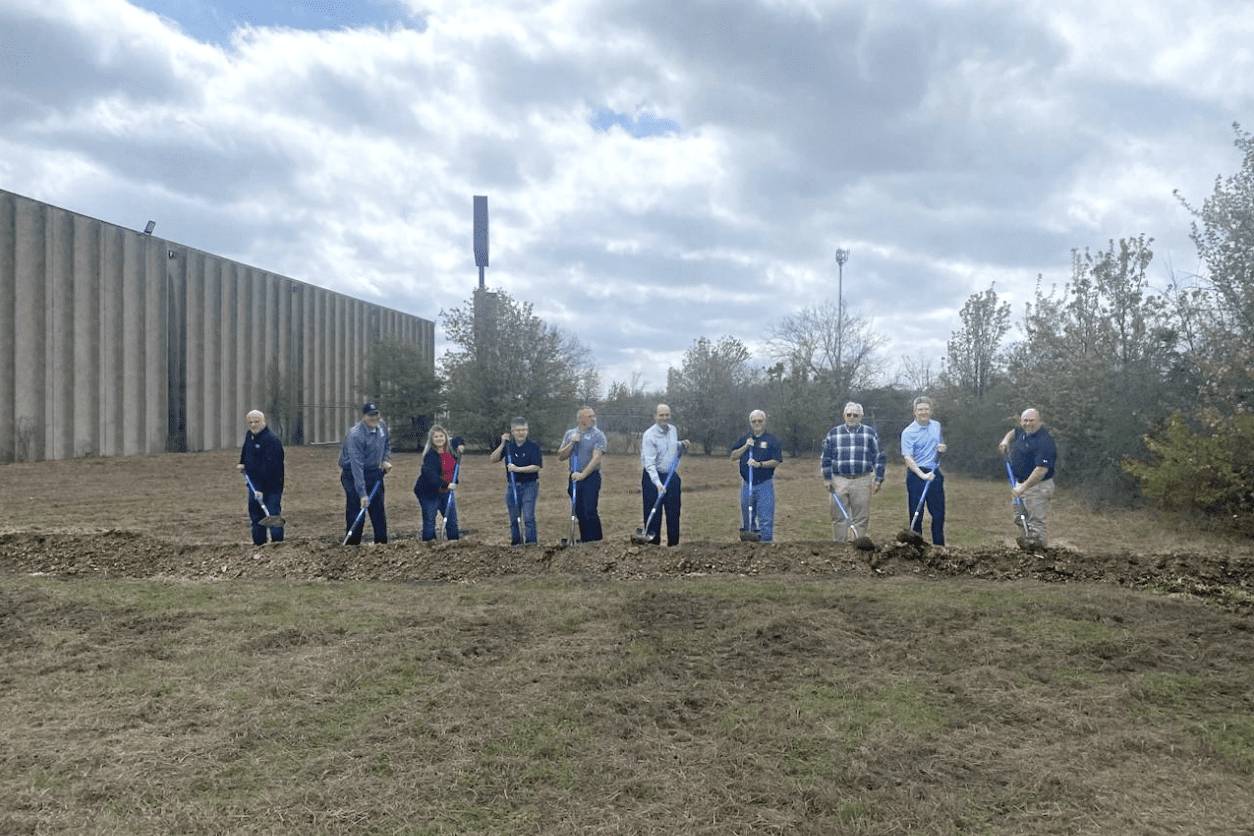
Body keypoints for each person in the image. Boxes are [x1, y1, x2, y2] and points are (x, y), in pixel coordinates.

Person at [820, 401, 884, 544]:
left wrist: (878, 479)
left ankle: (858, 547)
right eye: (849, 414)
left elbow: (879, 457)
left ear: (861, 416)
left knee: (860, 519)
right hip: (839, 480)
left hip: (862, 480)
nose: (852, 417)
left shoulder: (869, 433)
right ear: (844, 415)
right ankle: (840, 547)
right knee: (838, 517)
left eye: (855, 415)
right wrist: (827, 479)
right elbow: (826, 458)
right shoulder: (834, 433)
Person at [999, 408, 1058, 548]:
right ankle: (1028, 549)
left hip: (1037, 486)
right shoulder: (1022, 432)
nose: (1028, 424)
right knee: (1021, 519)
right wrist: (1005, 441)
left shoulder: (1044, 441)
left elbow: (1041, 470)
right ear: (1021, 421)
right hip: (1020, 484)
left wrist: (1023, 488)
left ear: (1040, 422)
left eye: (1032, 421)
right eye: (1025, 421)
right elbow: (1012, 433)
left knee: (1035, 524)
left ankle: (1039, 555)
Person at [339, 401, 392, 545]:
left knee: (378, 511)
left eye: (376, 414)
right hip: (352, 475)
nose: (374, 418)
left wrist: (385, 459)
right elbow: (357, 466)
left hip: (374, 472)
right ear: (363, 416)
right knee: (356, 511)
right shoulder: (355, 435)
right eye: (370, 415)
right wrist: (362, 493)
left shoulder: (382, 427)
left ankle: (382, 546)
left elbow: (387, 444)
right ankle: (352, 546)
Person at [640, 404, 691, 546]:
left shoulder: (673, 430)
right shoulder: (649, 435)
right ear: (655, 416)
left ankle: (673, 546)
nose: (664, 418)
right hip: (652, 478)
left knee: (674, 513)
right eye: (661, 415)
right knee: (653, 514)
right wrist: (657, 483)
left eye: (667, 415)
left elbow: (670, 446)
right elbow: (649, 463)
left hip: (671, 476)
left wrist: (681, 444)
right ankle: (653, 546)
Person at [729, 410, 783, 542]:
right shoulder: (745, 438)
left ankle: (766, 548)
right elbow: (733, 456)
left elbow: (776, 461)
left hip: (764, 484)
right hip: (747, 484)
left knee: (765, 520)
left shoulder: (772, 440)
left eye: (760, 421)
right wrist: (746, 447)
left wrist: (759, 464)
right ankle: (750, 548)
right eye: (754, 421)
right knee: (747, 519)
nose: (757, 424)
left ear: (765, 422)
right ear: (750, 423)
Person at [901, 396, 947, 548]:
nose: (923, 412)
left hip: (934, 473)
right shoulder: (908, 432)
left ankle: (939, 547)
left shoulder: (936, 426)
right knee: (917, 514)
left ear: (930, 410)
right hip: (916, 475)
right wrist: (922, 474)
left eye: (926, 409)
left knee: (938, 514)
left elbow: (939, 444)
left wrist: (941, 448)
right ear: (915, 411)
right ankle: (916, 548)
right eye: (920, 409)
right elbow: (908, 458)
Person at [557, 406, 608, 542]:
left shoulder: (598, 435)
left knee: (589, 510)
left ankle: (596, 542)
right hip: (573, 476)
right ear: (580, 419)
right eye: (590, 416)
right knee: (579, 511)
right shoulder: (570, 434)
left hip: (591, 477)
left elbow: (596, 458)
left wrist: (583, 475)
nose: (593, 418)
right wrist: (572, 444)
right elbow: (561, 456)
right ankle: (586, 541)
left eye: (593, 415)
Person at [489, 417, 542, 545]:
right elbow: (493, 459)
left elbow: (536, 466)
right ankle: (516, 543)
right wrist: (502, 444)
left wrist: (518, 469)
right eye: (518, 430)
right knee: (514, 518)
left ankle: (531, 544)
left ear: (527, 431)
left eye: (524, 430)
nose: (521, 433)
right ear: (512, 431)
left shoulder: (533, 446)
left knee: (528, 517)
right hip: (512, 486)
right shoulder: (508, 447)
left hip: (529, 485)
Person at [236, 409, 284, 546]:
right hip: (253, 484)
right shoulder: (250, 436)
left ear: (263, 422)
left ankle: (278, 545)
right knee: (256, 517)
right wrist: (242, 462)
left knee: (272, 514)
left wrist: (261, 489)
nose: (253, 425)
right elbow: (246, 450)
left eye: (256, 422)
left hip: (270, 487)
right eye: (250, 422)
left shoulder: (271, 441)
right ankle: (259, 544)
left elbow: (271, 469)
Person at [414, 424, 459, 542]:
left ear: (445, 437)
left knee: (452, 520)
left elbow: (453, 470)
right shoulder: (430, 456)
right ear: (432, 440)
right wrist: (446, 484)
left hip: (446, 491)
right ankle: (429, 545)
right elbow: (431, 475)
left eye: (441, 436)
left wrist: (454, 481)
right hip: (428, 492)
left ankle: (454, 544)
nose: (439, 439)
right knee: (429, 521)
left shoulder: (451, 453)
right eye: (436, 437)